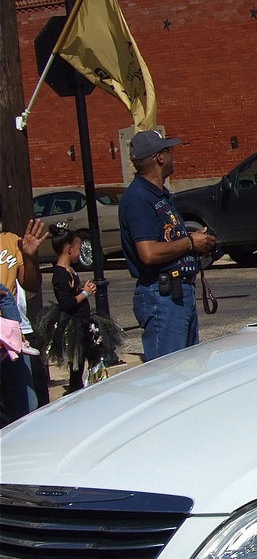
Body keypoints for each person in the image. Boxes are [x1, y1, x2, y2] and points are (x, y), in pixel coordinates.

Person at [118, 130, 218, 361]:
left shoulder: (160, 196)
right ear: (159, 158)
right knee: (170, 373)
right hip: (162, 297)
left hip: (179, 294)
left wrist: (198, 243)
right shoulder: (139, 198)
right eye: (169, 150)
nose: (173, 156)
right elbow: (149, 253)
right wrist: (190, 242)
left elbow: (167, 239)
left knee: (189, 369)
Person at [34, 225, 123, 393]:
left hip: (83, 320)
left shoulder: (70, 270)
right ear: (69, 249)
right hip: (73, 325)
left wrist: (82, 289)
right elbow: (66, 303)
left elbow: (72, 292)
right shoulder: (59, 274)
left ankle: (95, 384)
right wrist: (85, 293)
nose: (80, 252)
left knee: (93, 355)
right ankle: (77, 389)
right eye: (78, 248)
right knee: (77, 361)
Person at [0, 213, 48, 423]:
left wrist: (29, 257)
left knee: (27, 405)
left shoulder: (11, 241)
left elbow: (31, 284)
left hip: (11, 337)